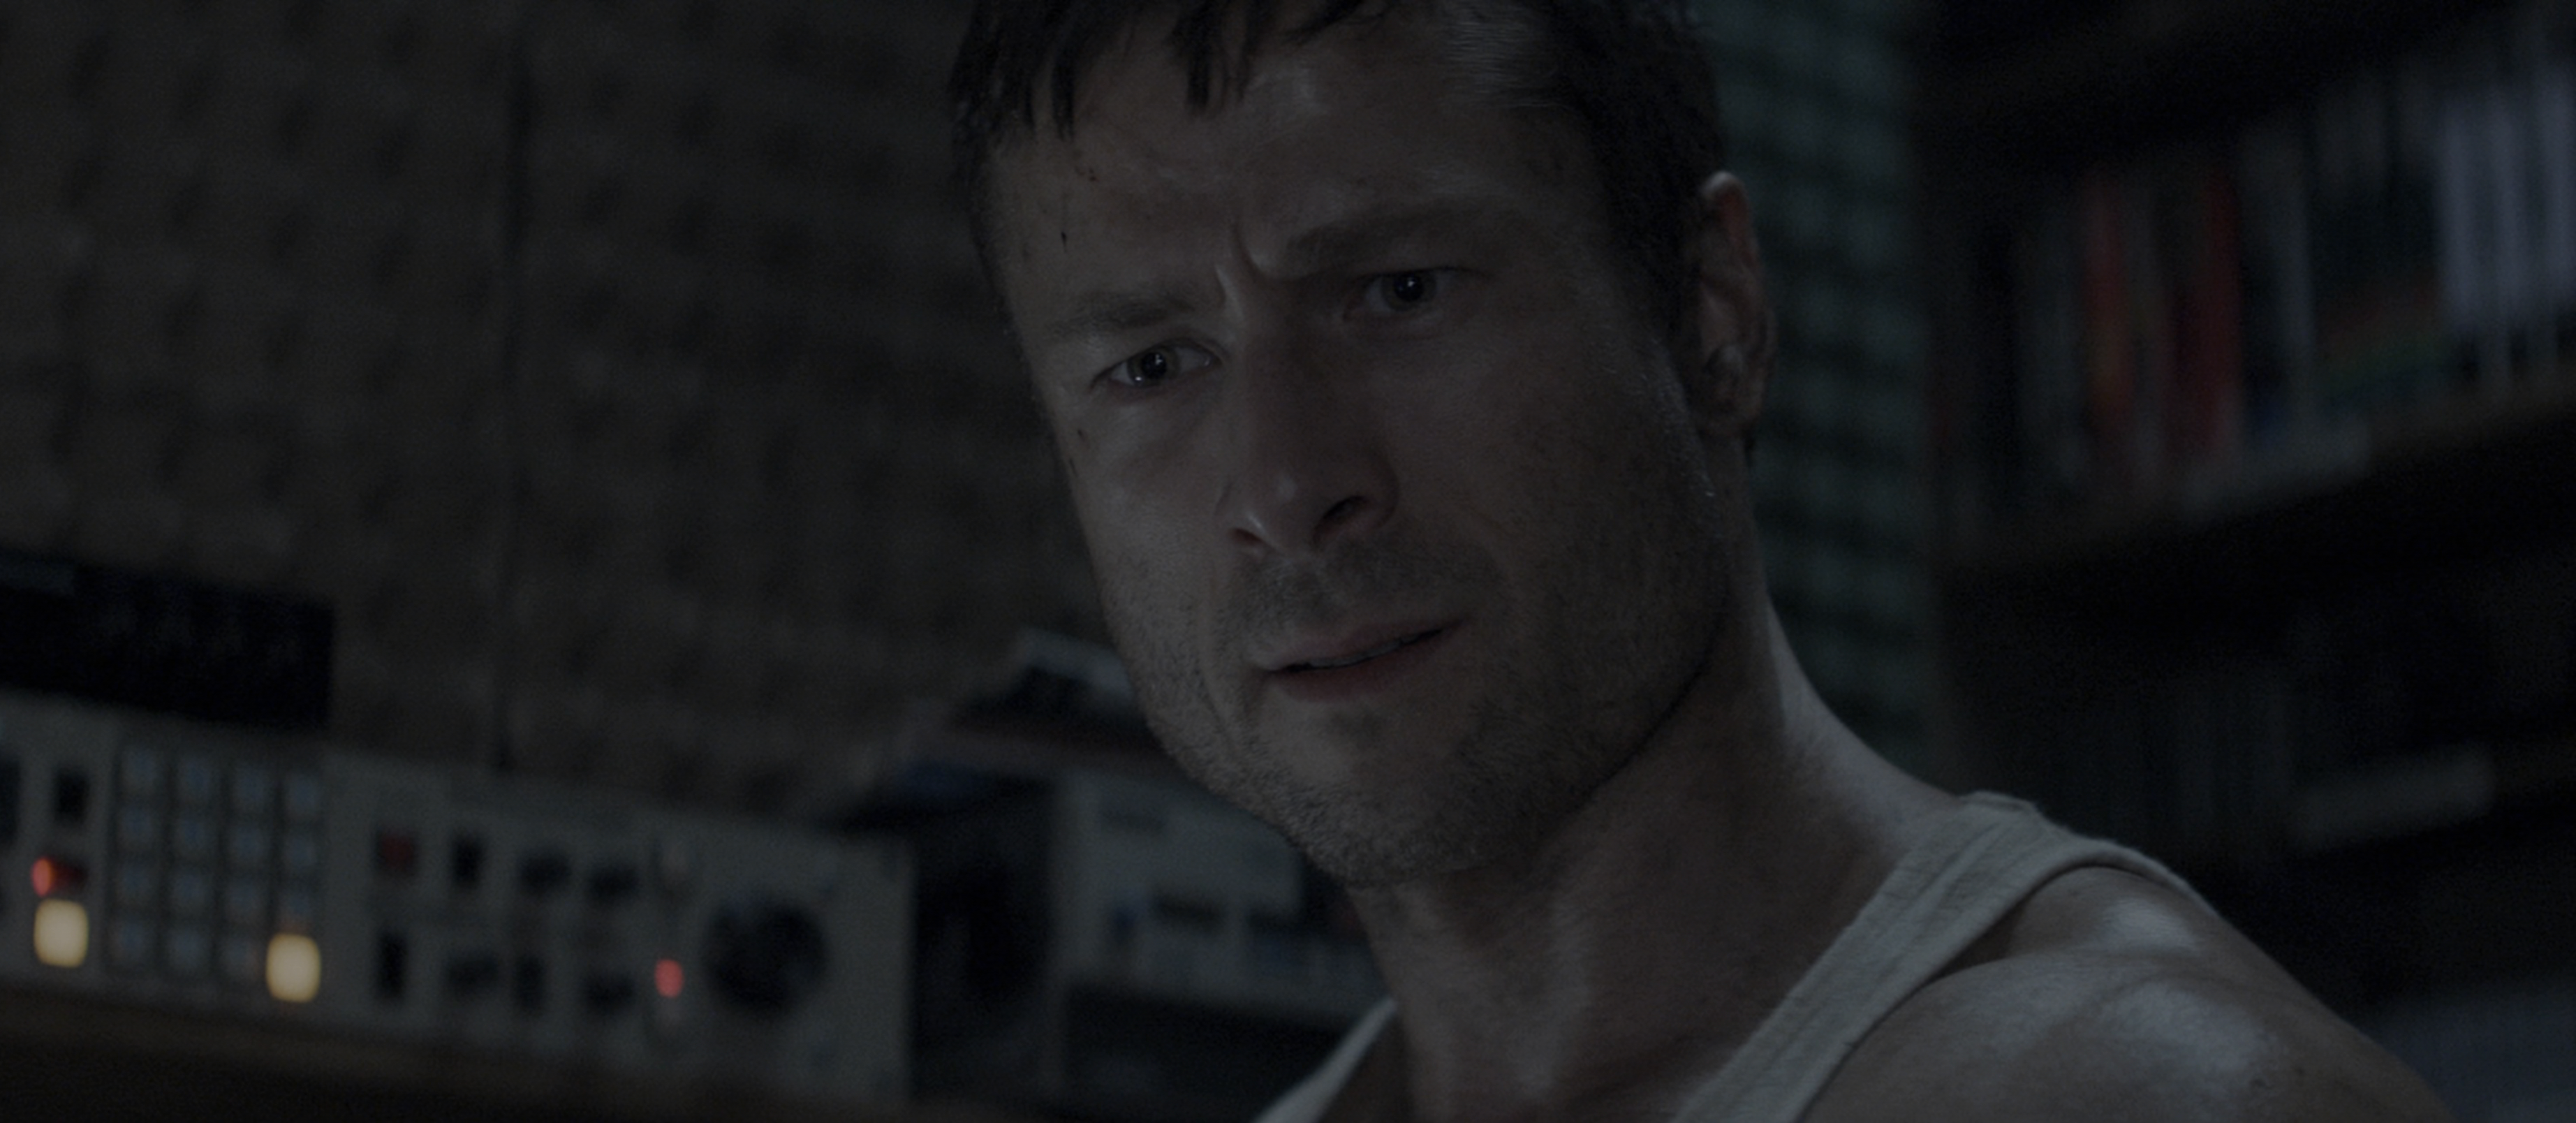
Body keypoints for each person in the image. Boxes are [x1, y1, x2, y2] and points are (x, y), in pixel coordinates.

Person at [945, 1, 2454, 1119]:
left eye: (1400, 291)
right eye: (1152, 367)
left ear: (1712, 314)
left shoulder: (2142, 1092)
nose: (1286, 487)